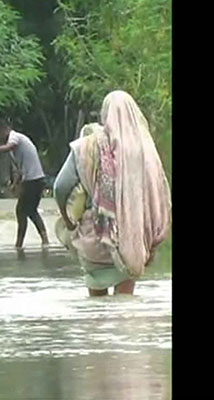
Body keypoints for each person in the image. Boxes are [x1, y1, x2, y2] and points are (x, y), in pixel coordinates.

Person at [53, 90, 171, 296]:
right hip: (134, 236)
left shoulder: (86, 147)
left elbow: (60, 187)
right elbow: (159, 193)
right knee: (125, 304)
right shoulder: (147, 150)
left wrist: (68, 220)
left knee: (96, 307)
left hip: (95, 234)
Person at [0, 120, 50, 249]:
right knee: (29, 210)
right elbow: (19, 169)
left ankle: (21, 243)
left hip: (33, 179)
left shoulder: (14, 137)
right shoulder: (15, 146)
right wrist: (15, 184)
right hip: (34, 179)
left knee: (22, 210)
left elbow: (9, 147)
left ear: (3, 130)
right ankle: (42, 239)